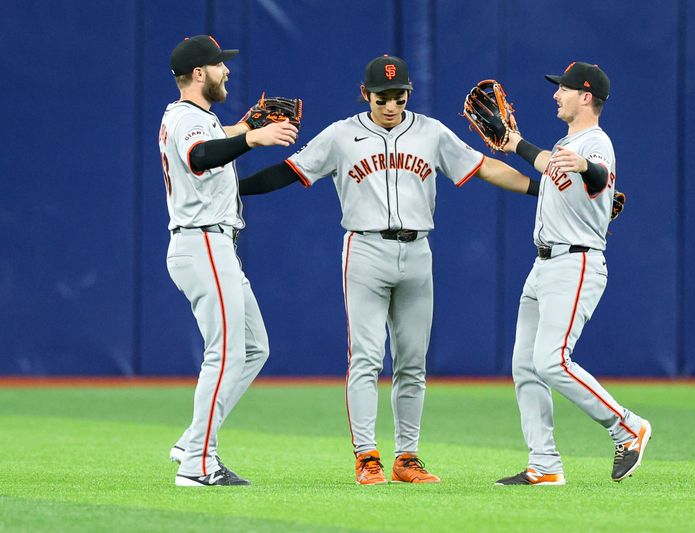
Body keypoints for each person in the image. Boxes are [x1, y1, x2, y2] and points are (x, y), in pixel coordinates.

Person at [236, 55, 534, 485]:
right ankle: (366, 456)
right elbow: (290, 170)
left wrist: (541, 189)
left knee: (413, 361)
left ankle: (407, 458)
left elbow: (484, 167)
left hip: (418, 252)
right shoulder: (342, 134)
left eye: (399, 97)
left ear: (408, 94)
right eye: (382, 97)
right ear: (365, 94)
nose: (391, 105)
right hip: (366, 251)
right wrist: (236, 188)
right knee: (366, 358)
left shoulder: (430, 132)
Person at [489, 62, 651, 486]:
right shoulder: (568, 143)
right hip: (543, 266)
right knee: (525, 366)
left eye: (561, 89)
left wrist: (584, 167)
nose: (555, 95)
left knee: (552, 360)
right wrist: (512, 147)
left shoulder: (596, 142)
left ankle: (626, 426)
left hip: (575, 263)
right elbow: (547, 170)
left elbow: (596, 173)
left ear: (585, 95)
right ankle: (544, 464)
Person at [158, 35, 298, 487]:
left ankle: (192, 440)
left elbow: (213, 142)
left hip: (214, 246)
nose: (227, 72)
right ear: (199, 73)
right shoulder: (184, 117)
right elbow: (200, 156)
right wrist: (253, 137)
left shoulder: (201, 119)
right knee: (224, 353)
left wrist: (240, 128)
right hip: (201, 244)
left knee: (255, 348)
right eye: (220, 66)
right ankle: (199, 463)